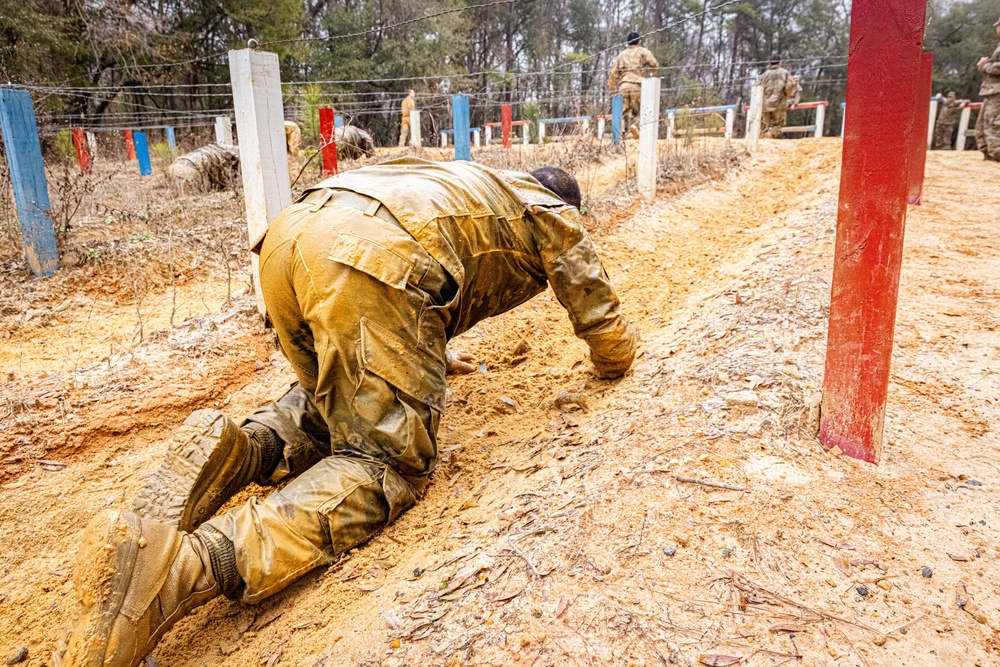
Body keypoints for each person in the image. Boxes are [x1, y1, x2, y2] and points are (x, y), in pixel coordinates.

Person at [55, 159, 638, 667]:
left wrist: (424, 351)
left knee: (340, 391)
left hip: (290, 239)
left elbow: (435, 260)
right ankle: (185, 565)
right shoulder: (547, 207)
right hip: (369, 259)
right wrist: (619, 365)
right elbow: (596, 307)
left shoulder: (470, 181)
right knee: (387, 462)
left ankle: (246, 447)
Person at [607, 32, 660, 138]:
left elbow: (614, 72)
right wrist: (652, 74)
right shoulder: (643, 52)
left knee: (622, 112)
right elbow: (654, 64)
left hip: (624, 85)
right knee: (641, 110)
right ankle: (635, 125)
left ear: (627, 43)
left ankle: (620, 133)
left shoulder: (621, 55)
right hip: (639, 84)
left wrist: (612, 87)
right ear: (639, 42)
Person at [975, 17, 1000, 161]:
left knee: (994, 125)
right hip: (992, 91)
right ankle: (989, 154)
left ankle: (996, 156)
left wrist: (985, 66)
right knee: (983, 125)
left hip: (997, 92)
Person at [166, 143, 240, 191]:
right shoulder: (227, 157)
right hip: (191, 170)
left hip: (175, 165)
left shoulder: (216, 150)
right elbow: (223, 183)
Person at [758, 55, 796, 138]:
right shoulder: (785, 73)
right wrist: (789, 98)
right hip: (779, 104)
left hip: (765, 105)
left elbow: (757, 89)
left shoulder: (763, 75)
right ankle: (771, 136)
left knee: (763, 127)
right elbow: (788, 87)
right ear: (780, 62)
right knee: (778, 125)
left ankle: (763, 140)